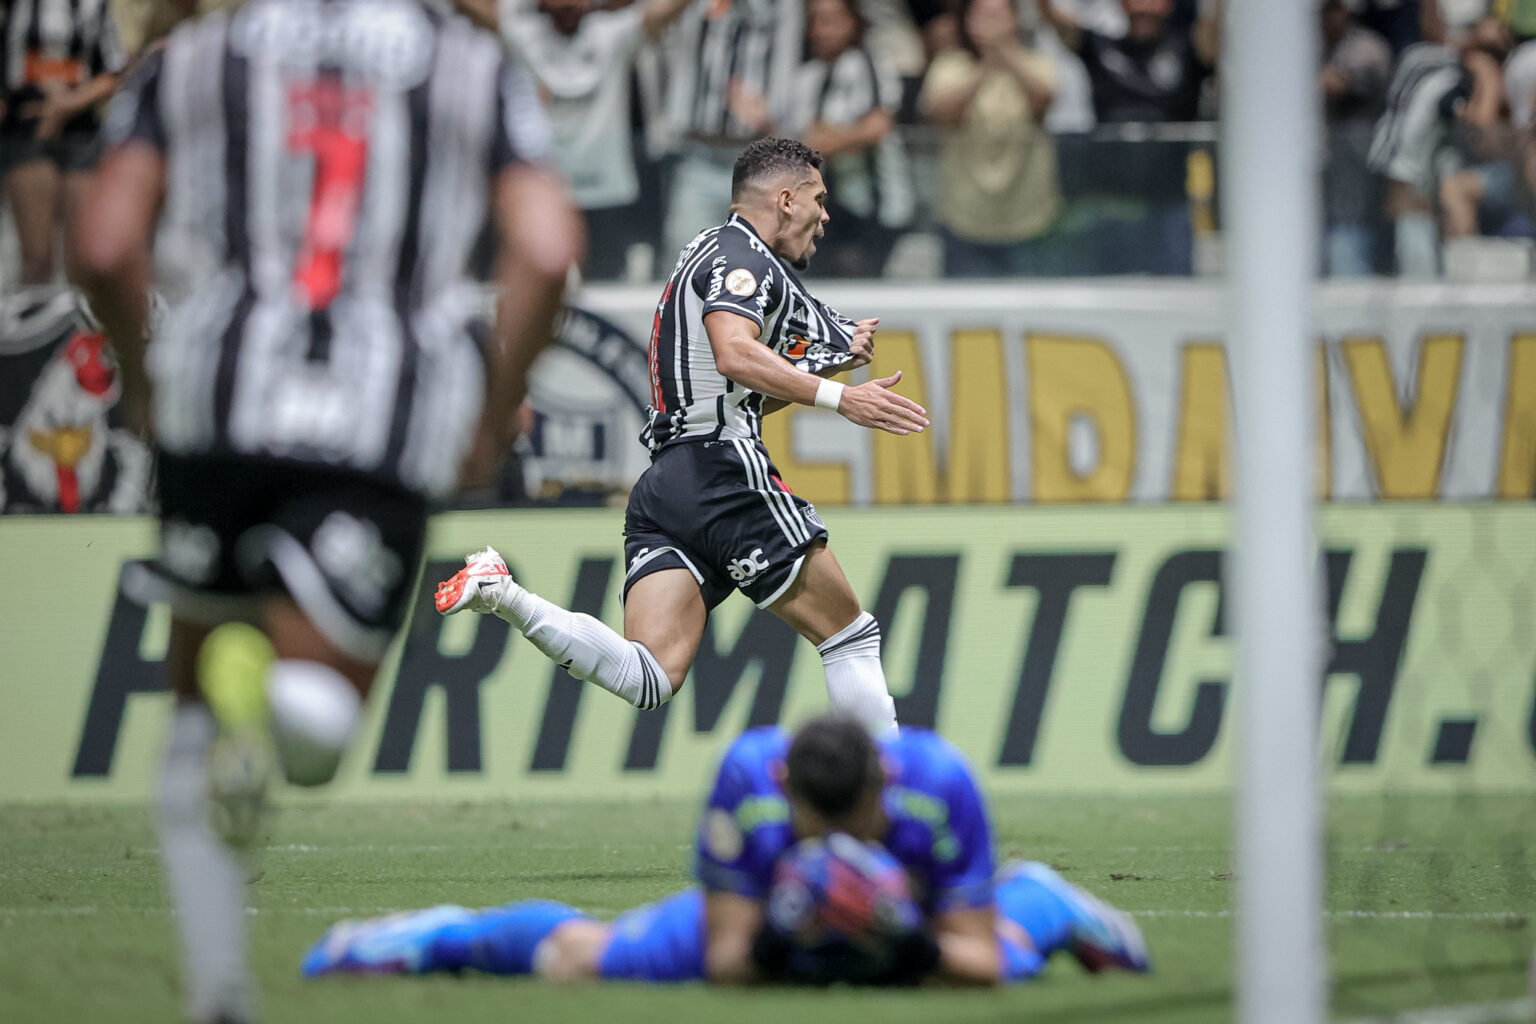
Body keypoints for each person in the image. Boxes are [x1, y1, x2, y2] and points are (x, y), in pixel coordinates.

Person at [70, 0, 583, 1021]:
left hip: (217, 398)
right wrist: (489, 405)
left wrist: (143, 378)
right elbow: (548, 246)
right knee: (318, 729)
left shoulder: (191, 58)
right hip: (378, 416)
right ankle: (278, 708)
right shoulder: (470, 66)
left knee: (195, 717)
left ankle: (217, 995)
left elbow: (103, 240)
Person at [435, 138, 927, 736]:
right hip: (721, 470)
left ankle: (502, 593)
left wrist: (822, 366)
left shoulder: (707, 248)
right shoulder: (743, 258)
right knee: (849, 636)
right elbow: (734, 353)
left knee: (650, 676)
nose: (826, 216)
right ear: (786, 198)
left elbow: (730, 383)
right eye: (819, 200)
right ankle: (886, 803)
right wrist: (841, 398)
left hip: (669, 482)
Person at [302, 713, 1151, 986]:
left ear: (879, 792)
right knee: (583, 957)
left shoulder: (940, 782)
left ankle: (1046, 899)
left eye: (852, 828)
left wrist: (905, 937)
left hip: (915, 912)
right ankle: (435, 937)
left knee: (1007, 961)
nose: (835, 842)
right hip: (773, 915)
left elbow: (973, 958)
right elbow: (728, 957)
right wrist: (797, 926)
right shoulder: (749, 776)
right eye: (818, 830)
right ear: (788, 793)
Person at [502, 0, 699, 281]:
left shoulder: (612, 33)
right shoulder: (521, 34)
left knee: (605, 299)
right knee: (532, 290)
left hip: (605, 195)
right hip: (542, 193)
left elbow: (668, 8)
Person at [1033, 0, 1220, 275]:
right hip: (1111, 207)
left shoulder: (1188, 49)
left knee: (1173, 302)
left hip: (1169, 206)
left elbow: (1214, 28)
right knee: (1111, 300)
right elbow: (1054, 20)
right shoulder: (1101, 48)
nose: (1144, 7)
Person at [921, 0, 1061, 277]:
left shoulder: (1037, 62)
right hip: (965, 219)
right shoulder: (950, 65)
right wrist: (987, 65)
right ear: (967, 22)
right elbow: (940, 112)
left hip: (1027, 219)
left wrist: (1005, 55)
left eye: (998, 15)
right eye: (981, 16)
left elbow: (1045, 98)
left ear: (1015, 20)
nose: (990, 24)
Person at [1, 0, 127, 290]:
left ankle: (79, 330)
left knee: (83, 260)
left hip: (79, 127)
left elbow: (116, 69)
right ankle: (35, 327)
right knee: (37, 258)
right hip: (24, 127)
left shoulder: (93, 6)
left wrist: (68, 104)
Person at [788, 0, 915, 278]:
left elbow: (878, 126)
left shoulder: (868, 63)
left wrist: (828, 139)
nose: (824, 30)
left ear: (853, 23)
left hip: (874, 205)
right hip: (825, 208)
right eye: (817, 21)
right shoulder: (806, 77)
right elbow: (802, 141)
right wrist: (843, 137)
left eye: (833, 20)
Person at [1321, 0, 1393, 276]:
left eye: (1333, 9)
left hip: (1360, 169)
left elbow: (1333, 84)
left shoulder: (1368, 47)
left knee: (1349, 248)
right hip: (1325, 170)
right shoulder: (1316, 46)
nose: (1328, 17)